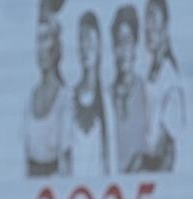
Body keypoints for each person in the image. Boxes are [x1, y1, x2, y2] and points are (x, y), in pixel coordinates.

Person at [139, 0, 185, 172]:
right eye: (147, 23)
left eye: (154, 23)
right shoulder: (150, 71)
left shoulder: (169, 77)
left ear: (165, 27)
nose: (149, 31)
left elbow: (167, 145)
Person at [24, 15, 72, 177]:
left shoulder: (64, 98)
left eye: (45, 39)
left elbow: (66, 158)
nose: (41, 49)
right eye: (38, 40)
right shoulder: (30, 97)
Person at [71, 11, 110, 176]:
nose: (86, 49)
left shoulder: (107, 99)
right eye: (82, 41)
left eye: (90, 42)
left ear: (99, 46)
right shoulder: (69, 98)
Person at [110, 5, 148, 173]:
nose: (123, 50)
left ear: (135, 46)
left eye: (127, 41)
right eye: (118, 43)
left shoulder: (147, 93)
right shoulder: (106, 96)